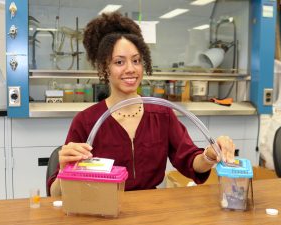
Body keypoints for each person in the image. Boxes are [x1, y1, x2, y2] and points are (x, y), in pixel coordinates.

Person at [48, 12, 235, 196]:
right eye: (119, 62)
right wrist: (65, 170)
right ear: (105, 67)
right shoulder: (87, 121)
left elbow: (190, 160)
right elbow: (55, 193)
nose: (130, 69)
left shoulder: (162, 114)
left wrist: (210, 155)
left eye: (136, 60)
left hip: (150, 208)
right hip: (104, 207)